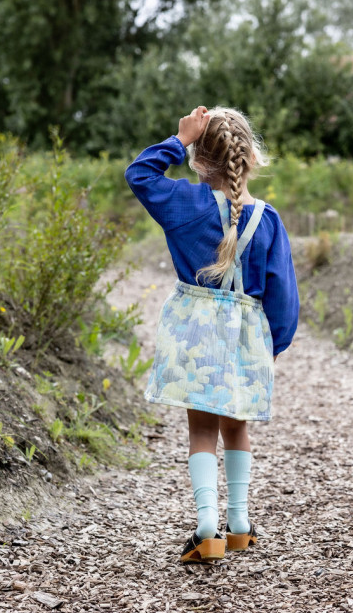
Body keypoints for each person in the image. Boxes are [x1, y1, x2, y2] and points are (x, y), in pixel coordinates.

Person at [125, 106, 299, 563]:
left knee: (201, 428)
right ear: (249, 156)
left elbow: (139, 175)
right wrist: (273, 345)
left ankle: (207, 529)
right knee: (236, 425)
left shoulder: (186, 205)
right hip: (245, 336)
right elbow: (282, 294)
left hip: (195, 334)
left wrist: (178, 140)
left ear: (200, 159)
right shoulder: (268, 219)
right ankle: (239, 524)